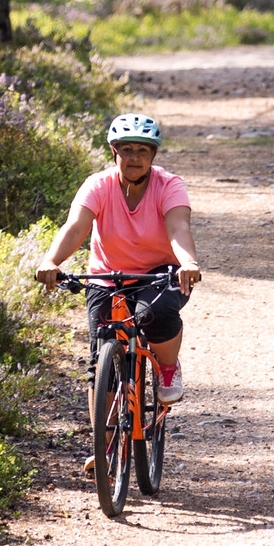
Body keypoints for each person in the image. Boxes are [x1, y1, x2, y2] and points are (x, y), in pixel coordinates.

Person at [36, 113, 204, 401]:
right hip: (107, 276)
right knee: (99, 357)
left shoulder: (170, 185)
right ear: (114, 151)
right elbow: (76, 227)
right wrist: (51, 261)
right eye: (126, 149)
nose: (134, 157)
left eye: (142, 150)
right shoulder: (98, 185)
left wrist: (188, 263)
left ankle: (167, 367)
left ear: (153, 154)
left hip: (159, 273)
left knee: (154, 315)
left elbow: (179, 228)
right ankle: (102, 442)